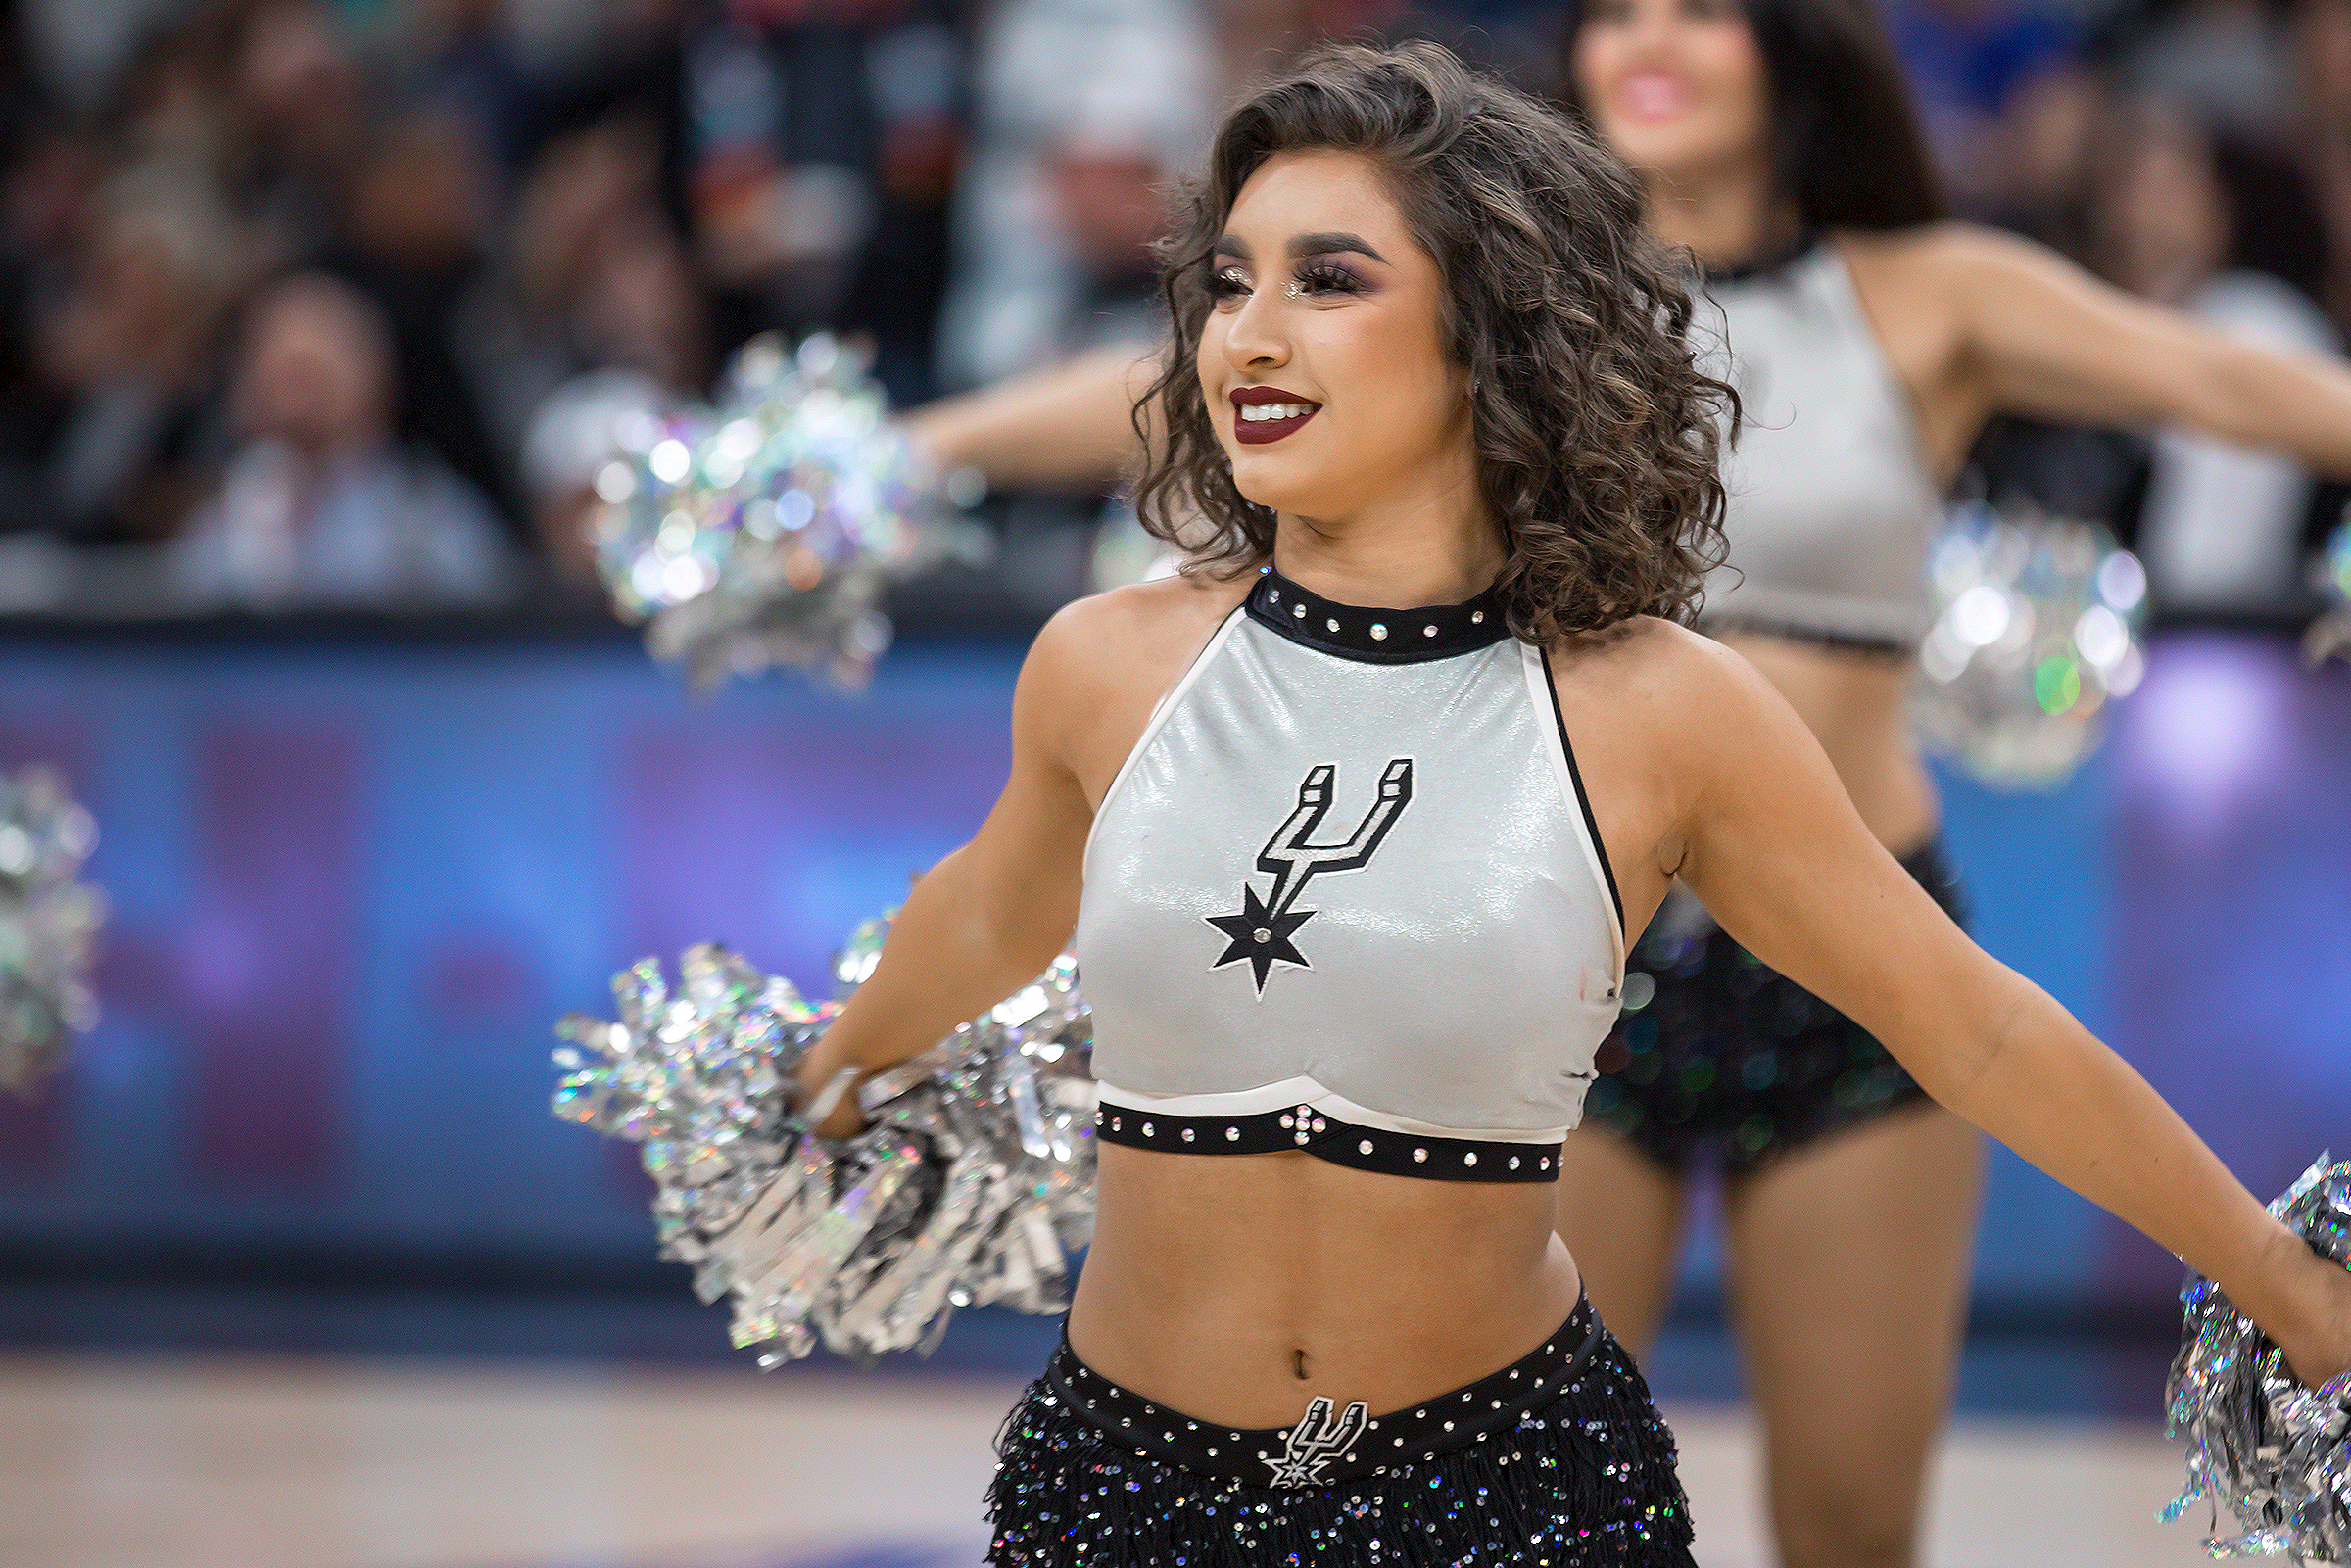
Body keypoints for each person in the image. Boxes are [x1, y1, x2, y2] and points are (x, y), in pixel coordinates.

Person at [799, 42, 2351, 1568]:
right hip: (1120, 1490)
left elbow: (1974, 1025)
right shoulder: (1104, 662)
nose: (1249, 337)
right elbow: (987, 912)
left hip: (1507, 1496)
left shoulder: (1659, 706)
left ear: (1488, 325)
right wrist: (829, 1070)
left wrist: (2280, 1276)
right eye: (1229, 282)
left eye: (1328, 282)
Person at [1555, 0, 2351, 1561]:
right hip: (1576, 959)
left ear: (1789, 49)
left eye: (1699, 9)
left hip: (1862, 970)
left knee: (1853, 1525)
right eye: (1615, 9)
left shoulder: (1927, 292)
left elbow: (2221, 379)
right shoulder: (1520, 298)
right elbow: (1189, 368)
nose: (1648, 38)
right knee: (1546, 1520)